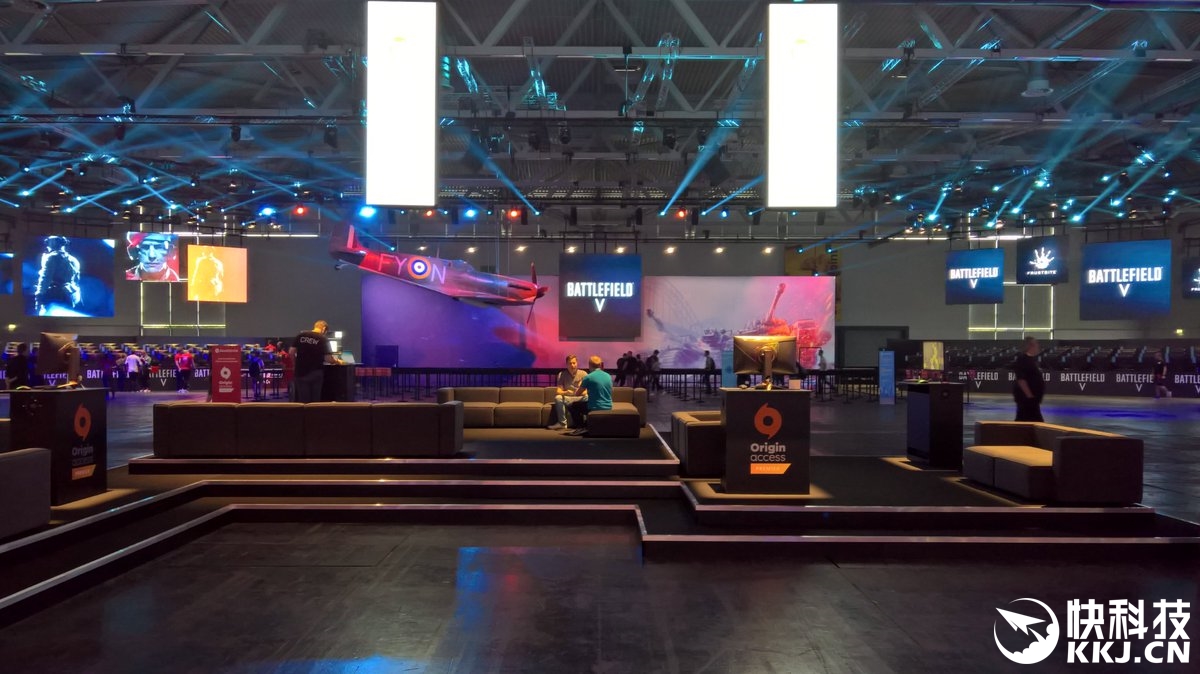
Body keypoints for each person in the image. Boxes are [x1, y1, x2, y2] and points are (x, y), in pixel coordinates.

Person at [289, 320, 342, 403]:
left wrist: (295, 365)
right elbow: (328, 359)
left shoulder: (301, 335)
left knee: (303, 400)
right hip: (316, 373)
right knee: (315, 401)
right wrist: (338, 361)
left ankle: (304, 411)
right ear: (324, 329)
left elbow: (291, 352)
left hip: (300, 372)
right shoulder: (323, 339)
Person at [34, 236, 81, 316]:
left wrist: (39, 294)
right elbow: (76, 281)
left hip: (55, 296)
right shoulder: (74, 259)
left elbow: (45, 278)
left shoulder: (52, 257)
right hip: (70, 296)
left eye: (48, 242)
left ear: (53, 243)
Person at [566, 355, 613, 435]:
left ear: (589, 365)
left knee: (572, 406)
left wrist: (578, 386)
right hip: (608, 406)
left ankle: (581, 428)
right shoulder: (608, 376)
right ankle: (586, 424)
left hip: (594, 407)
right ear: (600, 365)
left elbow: (577, 394)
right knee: (586, 402)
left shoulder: (588, 377)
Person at [547, 354, 586, 430]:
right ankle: (562, 423)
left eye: (574, 363)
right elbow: (558, 391)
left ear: (577, 363)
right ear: (567, 365)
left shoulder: (583, 374)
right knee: (558, 398)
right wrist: (566, 392)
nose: (572, 365)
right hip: (568, 397)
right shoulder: (562, 374)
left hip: (579, 398)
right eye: (570, 363)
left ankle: (585, 422)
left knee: (587, 397)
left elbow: (585, 392)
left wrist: (576, 393)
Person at [1012, 336, 1045, 422]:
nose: (1038, 346)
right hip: (1027, 400)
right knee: (1031, 422)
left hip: (1032, 400)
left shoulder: (1032, 360)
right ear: (1031, 345)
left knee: (1024, 421)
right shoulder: (1023, 359)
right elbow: (1021, 379)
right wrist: (1029, 396)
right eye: (1036, 344)